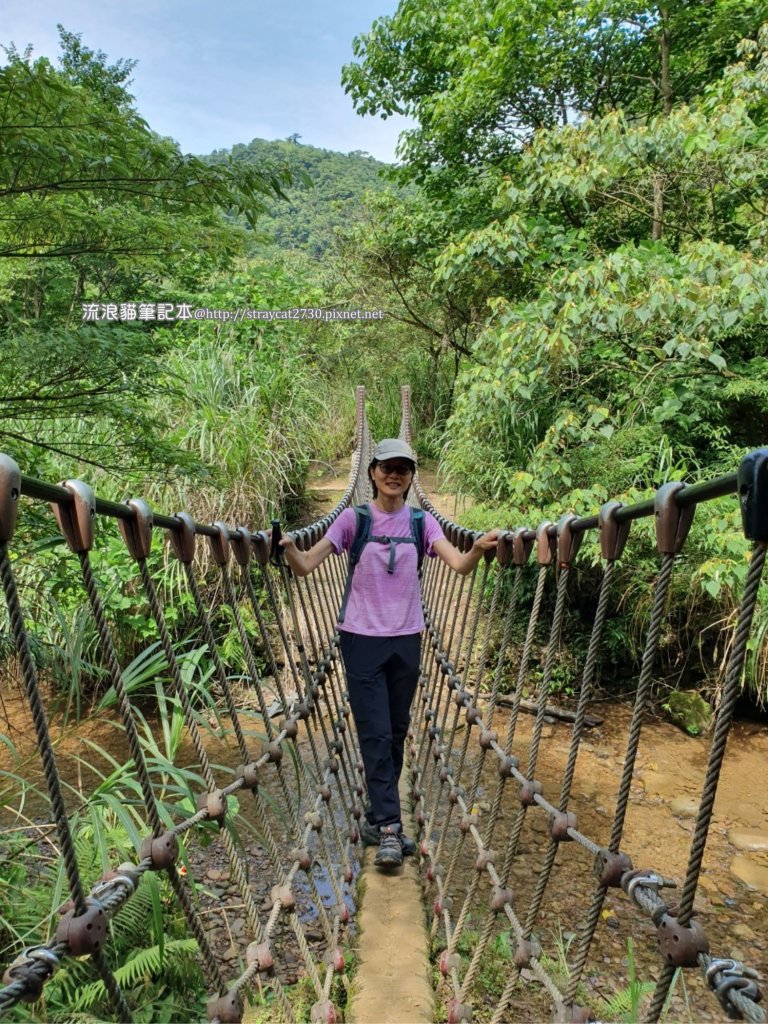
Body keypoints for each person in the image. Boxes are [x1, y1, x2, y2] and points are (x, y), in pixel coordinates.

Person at [279, 439, 499, 869]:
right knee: (375, 734)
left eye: (403, 468)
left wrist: (475, 549)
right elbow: (305, 565)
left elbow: (458, 564)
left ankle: (376, 822)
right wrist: (287, 546)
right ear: (372, 473)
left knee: (395, 733)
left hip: (406, 639)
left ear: (412, 477)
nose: (394, 474)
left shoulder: (422, 523)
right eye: (386, 467)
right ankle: (393, 832)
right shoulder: (351, 519)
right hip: (360, 639)